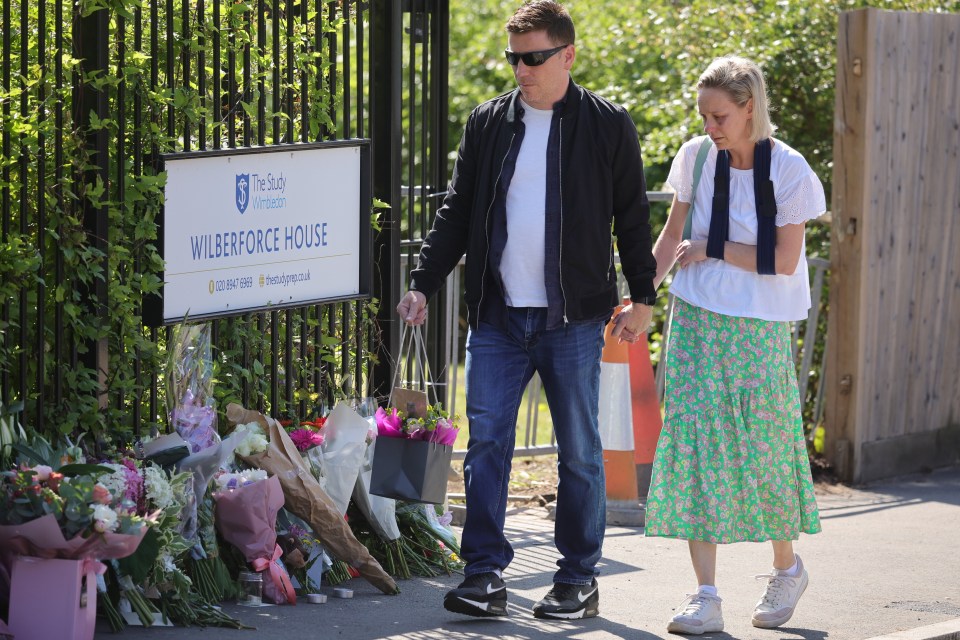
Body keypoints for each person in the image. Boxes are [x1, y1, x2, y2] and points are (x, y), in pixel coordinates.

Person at [396, 0, 656, 621]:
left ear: (567, 55)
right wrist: (422, 284)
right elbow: (457, 212)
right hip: (496, 317)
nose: (521, 69)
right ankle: (484, 574)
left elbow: (633, 218)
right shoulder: (488, 123)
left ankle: (577, 577)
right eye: (514, 57)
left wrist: (643, 298)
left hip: (572, 318)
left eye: (533, 57)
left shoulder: (606, 124)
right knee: (487, 445)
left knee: (578, 453)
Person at [644, 55, 824, 634]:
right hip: (696, 317)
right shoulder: (695, 157)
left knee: (764, 443)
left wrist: (713, 249)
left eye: (720, 116)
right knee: (697, 444)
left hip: (757, 325)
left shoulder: (789, 170)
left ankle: (786, 566)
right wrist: (638, 296)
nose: (709, 127)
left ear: (750, 108)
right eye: (703, 116)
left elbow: (784, 260)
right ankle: (706, 594)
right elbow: (672, 235)